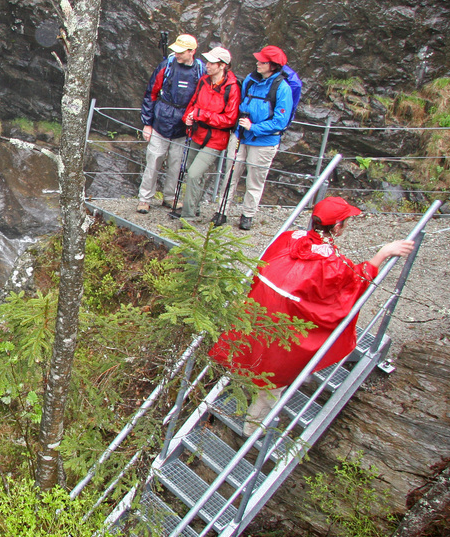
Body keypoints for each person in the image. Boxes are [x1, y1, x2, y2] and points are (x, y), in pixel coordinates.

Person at [209, 197, 415, 434]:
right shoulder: (333, 263)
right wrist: (383, 253)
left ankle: (244, 387)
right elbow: (354, 283)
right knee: (273, 376)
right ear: (337, 227)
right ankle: (253, 430)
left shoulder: (290, 238)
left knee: (252, 354)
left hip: (256, 314)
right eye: (345, 222)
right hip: (281, 328)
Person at [222, 45, 293, 231]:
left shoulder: (282, 89)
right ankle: (222, 210)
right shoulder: (251, 81)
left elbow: (280, 121)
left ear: (273, 66)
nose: (258, 63)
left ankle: (247, 215)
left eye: (262, 61)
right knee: (230, 174)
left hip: (263, 142)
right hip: (241, 136)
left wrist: (254, 127)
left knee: (254, 180)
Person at [137, 33, 205, 214]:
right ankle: (144, 199)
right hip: (161, 122)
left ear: (192, 51)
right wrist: (147, 123)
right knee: (153, 162)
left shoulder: (200, 70)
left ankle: (170, 197)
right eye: (176, 51)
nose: (177, 54)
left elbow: (204, 97)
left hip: (183, 126)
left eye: (181, 52)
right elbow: (151, 93)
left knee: (176, 164)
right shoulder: (166, 66)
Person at [170, 47, 240, 220]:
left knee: (194, 173)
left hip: (216, 139)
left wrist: (203, 116)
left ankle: (188, 215)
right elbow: (193, 103)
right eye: (207, 62)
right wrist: (188, 118)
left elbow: (230, 119)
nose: (207, 65)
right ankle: (194, 209)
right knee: (190, 170)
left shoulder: (232, 88)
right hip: (197, 133)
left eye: (211, 63)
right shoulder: (204, 81)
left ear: (222, 65)